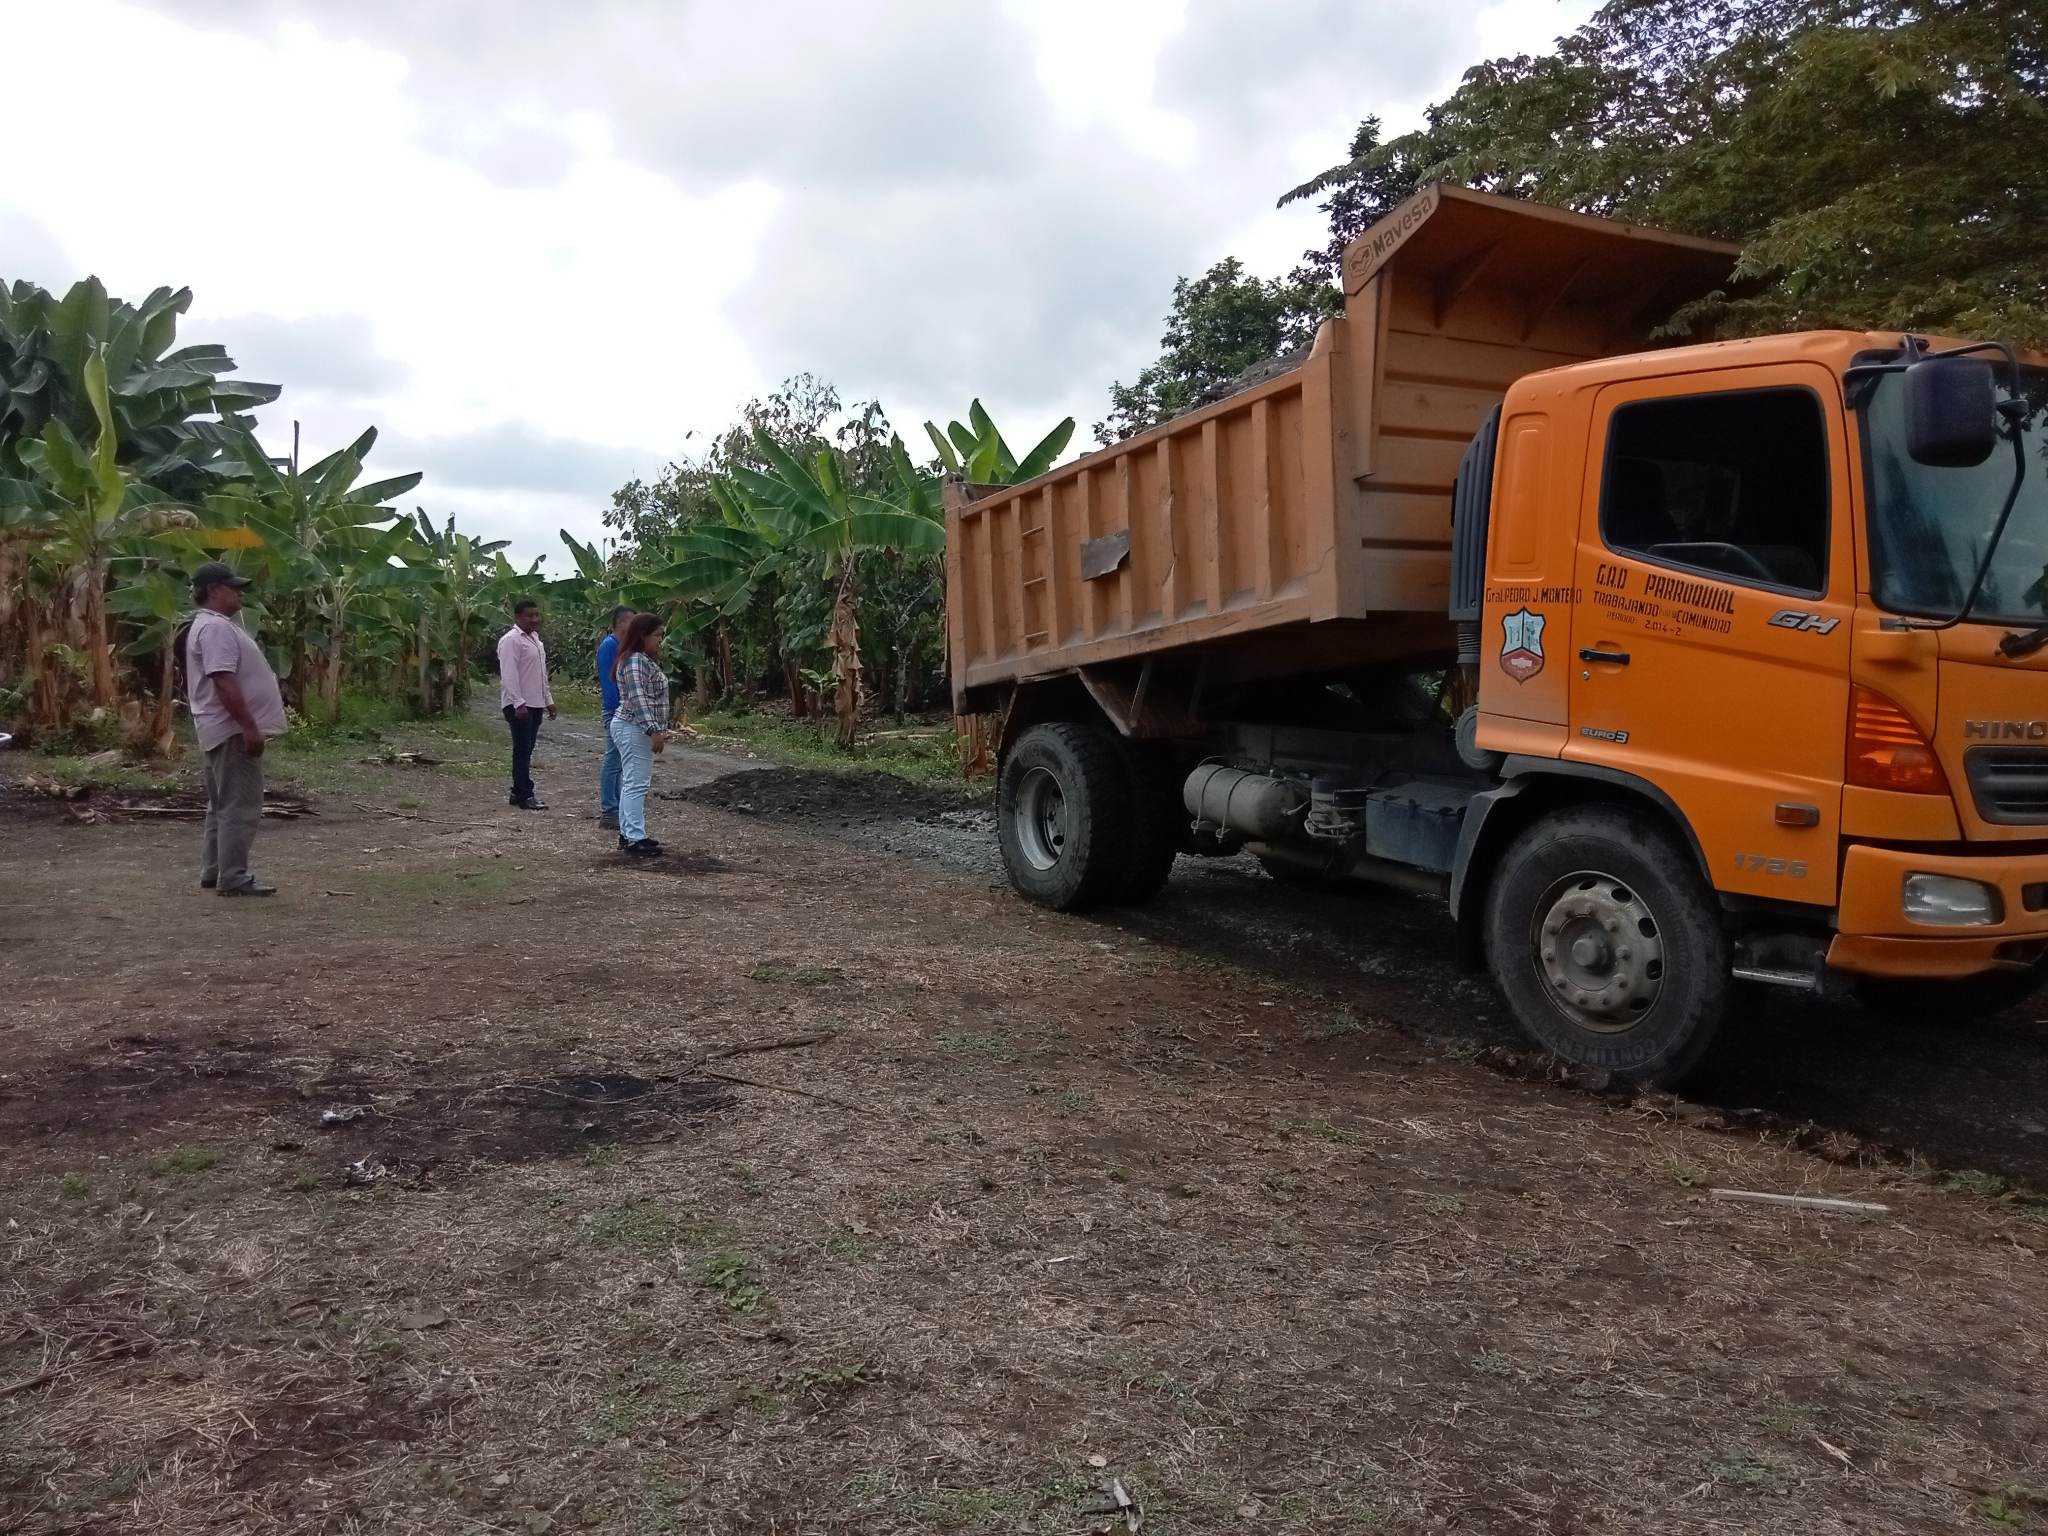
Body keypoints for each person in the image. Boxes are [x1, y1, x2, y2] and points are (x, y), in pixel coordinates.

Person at [184, 561, 287, 897]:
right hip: (230, 729)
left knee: (221, 804)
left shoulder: (210, 625)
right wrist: (248, 727)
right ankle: (233, 876)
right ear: (214, 591)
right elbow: (223, 679)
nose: (240, 593)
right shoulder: (215, 628)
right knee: (239, 804)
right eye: (234, 587)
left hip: (218, 727)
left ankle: (215, 871)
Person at [609, 612, 669, 859]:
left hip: (633, 726)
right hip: (634, 726)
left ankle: (629, 833)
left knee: (632, 782)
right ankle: (634, 837)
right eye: (657, 635)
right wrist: (653, 730)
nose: (660, 640)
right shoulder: (635, 661)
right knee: (637, 783)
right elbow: (639, 699)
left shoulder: (638, 659)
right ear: (643, 635)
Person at [497, 598, 557, 810]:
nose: (534, 619)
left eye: (536, 615)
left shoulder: (536, 640)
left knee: (527, 748)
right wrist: (518, 703)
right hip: (519, 705)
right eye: (529, 616)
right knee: (522, 749)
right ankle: (525, 794)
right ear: (518, 617)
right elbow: (509, 674)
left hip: (535, 702)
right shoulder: (511, 640)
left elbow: (541, 675)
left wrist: (548, 700)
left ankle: (517, 791)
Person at [595, 606, 634, 830]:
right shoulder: (609, 646)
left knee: (618, 763)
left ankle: (616, 807)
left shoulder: (623, 646)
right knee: (613, 760)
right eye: (632, 622)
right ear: (621, 623)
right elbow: (609, 684)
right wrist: (618, 710)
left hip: (621, 710)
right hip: (615, 710)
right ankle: (609, 809)